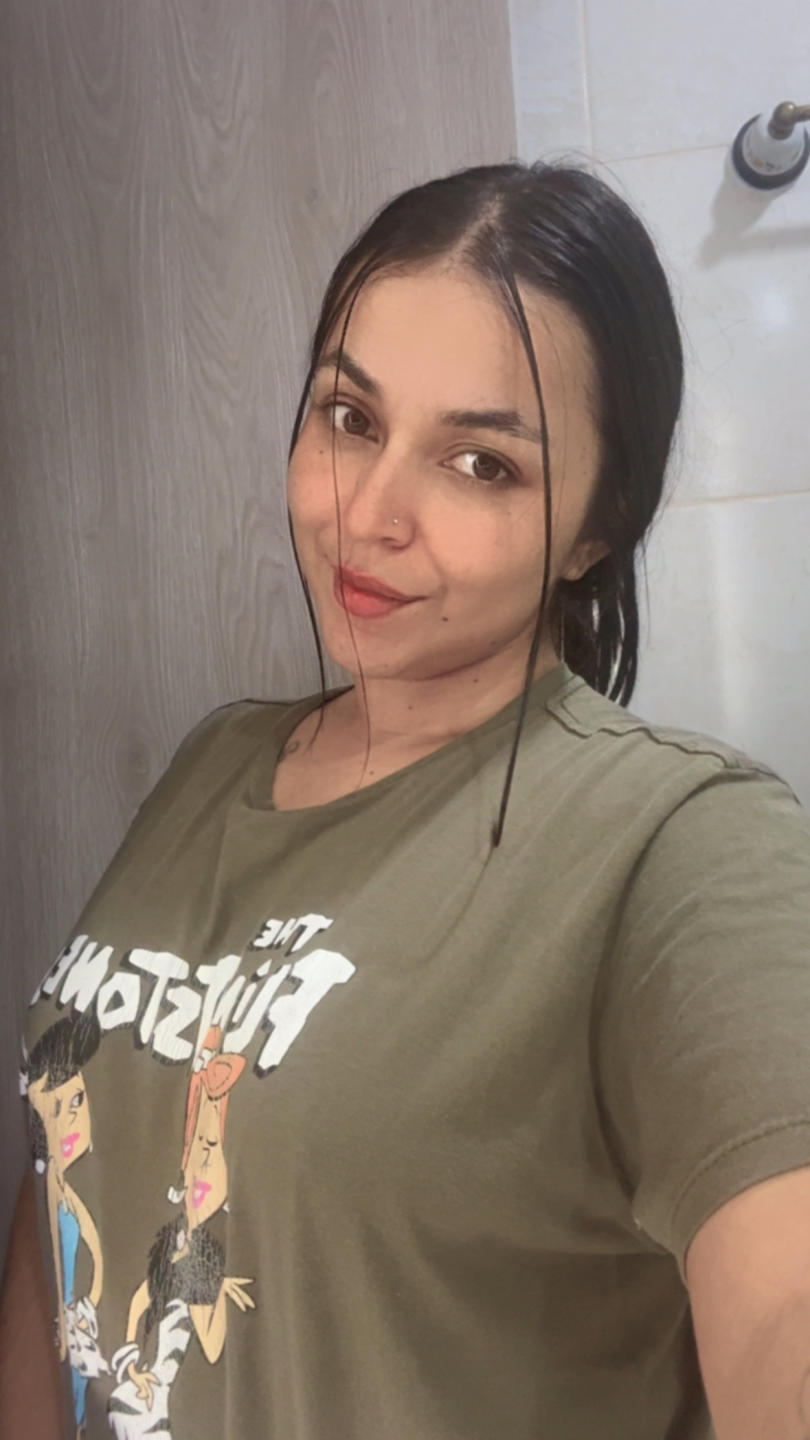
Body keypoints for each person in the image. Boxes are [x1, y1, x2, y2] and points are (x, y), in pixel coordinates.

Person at [2, 158, 810, 1440]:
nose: (369, 513)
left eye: (481, 463)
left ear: (599, 524)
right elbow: (73, 1159)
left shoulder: (685, 847)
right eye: (350, 417)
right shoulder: (215, 762)